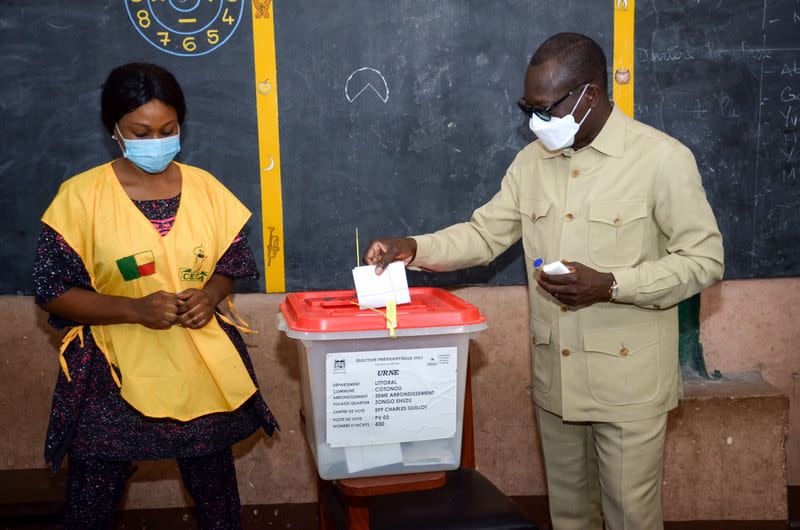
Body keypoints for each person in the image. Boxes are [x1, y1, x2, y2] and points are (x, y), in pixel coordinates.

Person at [363, 33, 724, 530]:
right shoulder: (533, 162)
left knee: (631, 518)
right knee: (570, 516)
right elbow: (484, 234)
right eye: (527, 108)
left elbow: (704, 260)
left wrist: (612, 284)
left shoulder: (661, 160)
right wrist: (416, 248)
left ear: (589, 96)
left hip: (627, 384)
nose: (535, 122)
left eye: (546, 108)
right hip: (557, 377)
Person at [34, 62, 279, 529]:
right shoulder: (80, 197)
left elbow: (231, 262)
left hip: (198, 367)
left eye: (167, 130)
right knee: (93, 495)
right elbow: (53, 289)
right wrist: (132, 308)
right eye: (140, 132)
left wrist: (211, 295)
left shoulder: (206, 188)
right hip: (112, 374)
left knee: (215, 493)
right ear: (115, 130)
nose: (155, 142)